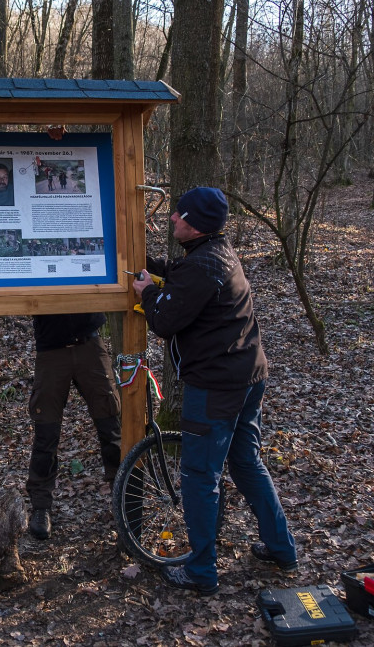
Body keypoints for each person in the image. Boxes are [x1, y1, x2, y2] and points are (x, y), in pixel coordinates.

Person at [132, 187, 297, 595]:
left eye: (178, 215)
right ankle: (282, 549)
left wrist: (147, 292)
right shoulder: (216, 252)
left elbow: (166, 319)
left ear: (197, 224)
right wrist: (150, 268)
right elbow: (183, 275)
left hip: (217, 387)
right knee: (246, 463)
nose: (171, 218)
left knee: (199, 475)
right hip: (248, 377)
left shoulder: (203, 265)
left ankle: (202, 571)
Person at [26, 313, 122, 539]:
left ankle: (122, 495)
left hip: (89, 342)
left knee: (110, 424)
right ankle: (41, 507)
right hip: (51, 347)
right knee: (46, 432)